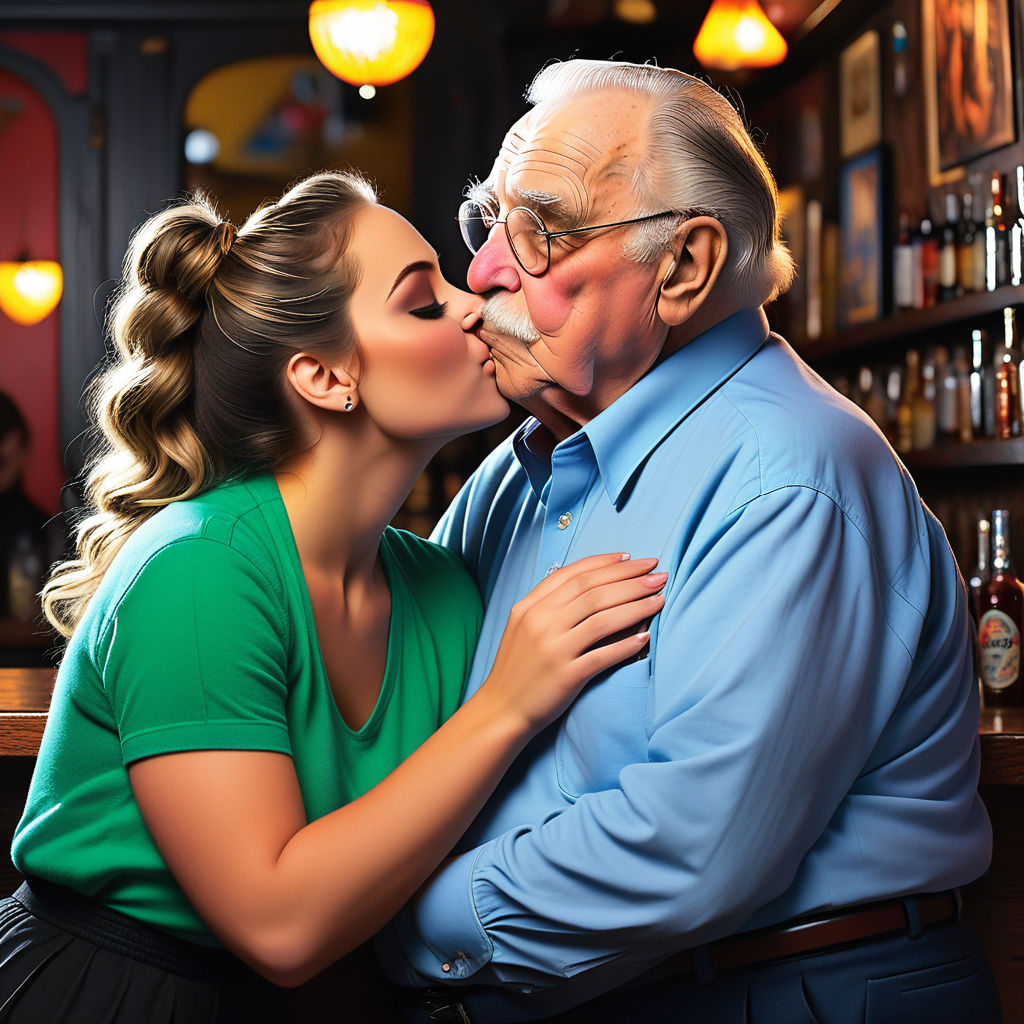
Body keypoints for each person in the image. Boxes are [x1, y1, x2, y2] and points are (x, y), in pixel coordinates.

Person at [374, 59, 1001, 1023]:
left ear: (685, 267)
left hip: (797, 992)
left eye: (538, 230)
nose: (484, 270)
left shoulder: (787, 472)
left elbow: (694, 847)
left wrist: (389, 914)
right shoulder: (516, 468)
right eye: (487, 222)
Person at [0, 169, 667, 1023]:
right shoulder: (199, 569)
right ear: (323, 377)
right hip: (110, 995)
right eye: (425, 303)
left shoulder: (438, 587)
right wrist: (507, 704)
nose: (473, 307)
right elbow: (277, 926)